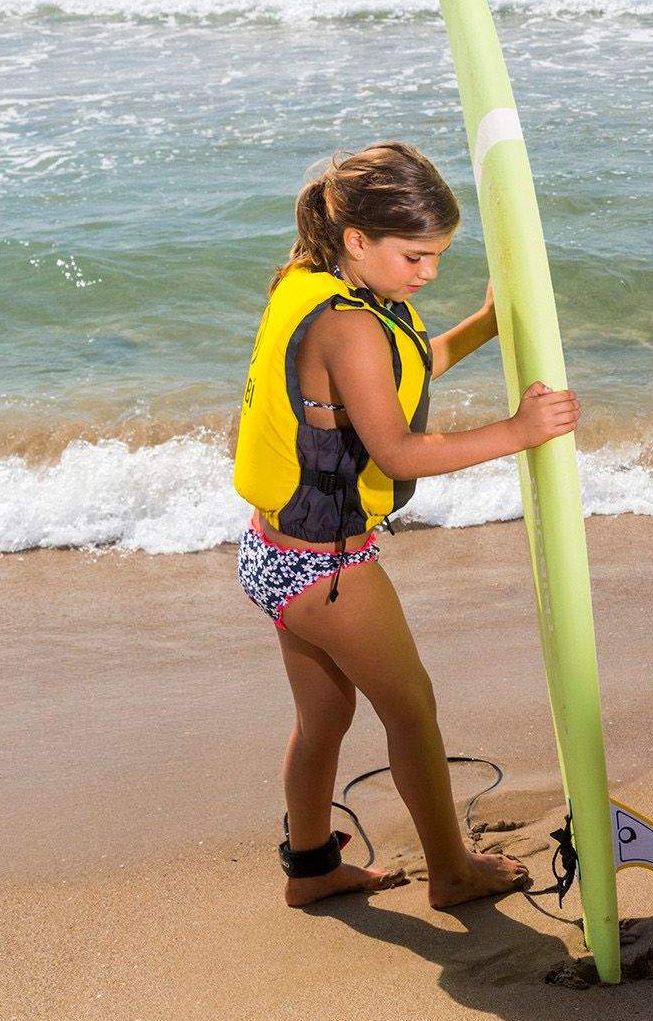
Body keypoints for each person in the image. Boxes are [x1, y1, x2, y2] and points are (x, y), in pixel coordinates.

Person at [233, 141, 581, 909]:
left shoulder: (312, 279)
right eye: (416, 256)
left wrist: (486, 326)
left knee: (323, 716)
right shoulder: (349, 325)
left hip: (268, 551)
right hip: (326, 568)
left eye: (439, 257)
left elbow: (396, 373)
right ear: (358, 240)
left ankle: (312, 865)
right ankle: (451, 873)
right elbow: (395, 444)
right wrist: (519, 430)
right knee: (412, 710)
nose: (428, 273)